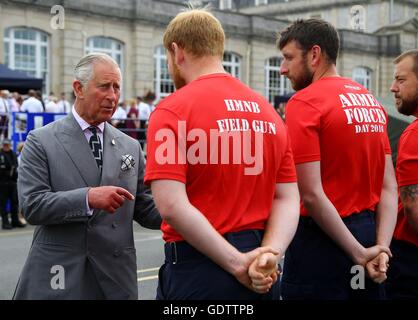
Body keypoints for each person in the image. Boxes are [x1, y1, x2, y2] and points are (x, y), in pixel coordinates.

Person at [144, 8, 300, 300]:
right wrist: (269, 254)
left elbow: (171, 205)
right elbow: (288, 197)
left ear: (177, 52)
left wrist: (237, 263)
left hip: (198, 268)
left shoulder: (171, 110)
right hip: (262, 268)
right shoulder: (268, 112)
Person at [13, 53, 161, 300]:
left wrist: (185, 210)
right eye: (104, 86)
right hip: (62, 277)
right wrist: (88, 198)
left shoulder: (130, 146)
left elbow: (145, 206)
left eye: (116, 88)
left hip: (115, 277)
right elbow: (32, 206)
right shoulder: (41, 141)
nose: (112, 96)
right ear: (78, 88)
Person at [277, 19, 397, 299]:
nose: (283, 69)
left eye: (289, 58)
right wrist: (381, 248)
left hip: (322, 241)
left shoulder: (305, 102)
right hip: (369, 231)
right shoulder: (369, 100)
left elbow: (311, 195)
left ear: (314, 55)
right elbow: (389, 187)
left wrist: (359, 254)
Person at [386, 49, 418, 299]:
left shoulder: (413, 135)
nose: (392, 87)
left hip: (409, 256)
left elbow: (413, 208)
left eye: (401, 79)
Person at [0, 139, 24, 229]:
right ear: (3, 145)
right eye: (5, 145)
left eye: (8, 145)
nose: (6, 146)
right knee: (3, 204)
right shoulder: (1, 154)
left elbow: (16, 166)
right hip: (2, 183)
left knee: (15, 203)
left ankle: (15, 221)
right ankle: (5, 222)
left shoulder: (13, 154)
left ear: (10, 145)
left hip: (12, 182)